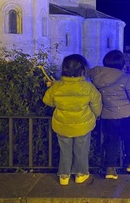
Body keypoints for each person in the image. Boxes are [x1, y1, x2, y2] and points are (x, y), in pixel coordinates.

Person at [43, 54, 102, 186]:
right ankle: (80, 175)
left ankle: (64, 176)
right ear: (83, 70)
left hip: (62, 125)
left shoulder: (58, 86)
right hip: (83, 126)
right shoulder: (88, 87)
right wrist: (96, 116)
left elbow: (47, 101)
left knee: (65, 151)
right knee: (81, 150)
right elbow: (97, 104)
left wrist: (53, 87)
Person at [89, 50, 130, 180]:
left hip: (107, 115)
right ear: (121, 63)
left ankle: (110, 168)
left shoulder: (96, 78)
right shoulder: (125, 78)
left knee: (111, 141)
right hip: (126, 115)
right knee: (129, 138)